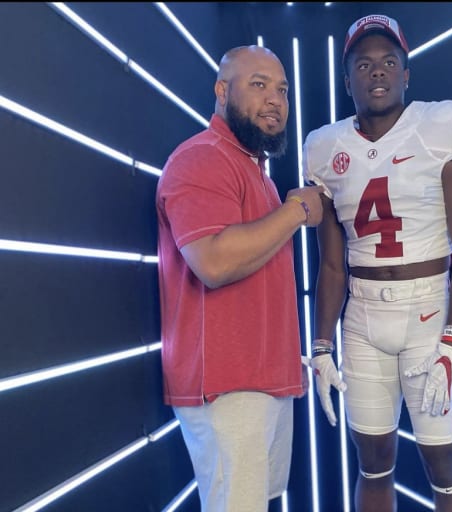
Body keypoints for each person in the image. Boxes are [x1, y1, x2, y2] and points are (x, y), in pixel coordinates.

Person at [303, 14, 452, 512]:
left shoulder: (442, 127)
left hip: (428, 311)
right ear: (347, 81)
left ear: (407, 73)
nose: (378, 71)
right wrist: (321, 344)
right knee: (373, 463)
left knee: (445, 465)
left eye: (389, 61)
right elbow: (332, 266)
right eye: (364, 64)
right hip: (362, 319)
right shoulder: (324, 148)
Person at [156, 45, 323, 512]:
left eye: (282, 89)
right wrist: (297, 211)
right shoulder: (202, 159)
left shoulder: (258, 174)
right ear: (221, 90)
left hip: (266, 381)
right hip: (228, 386)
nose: (275, 99)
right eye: (259, 85)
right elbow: (213, 262)